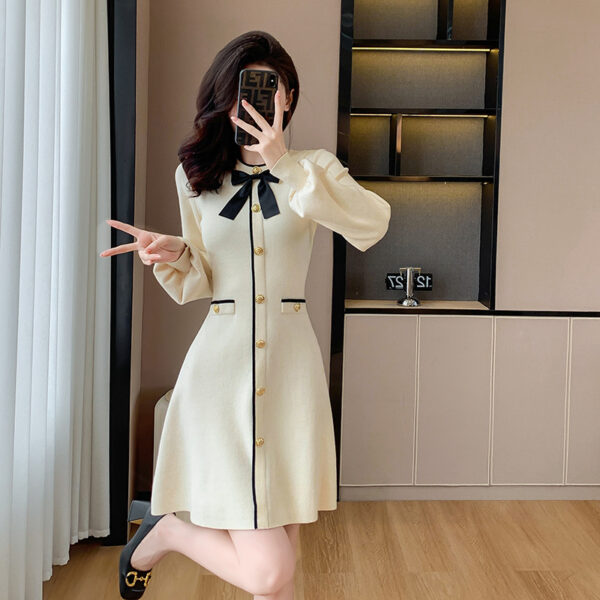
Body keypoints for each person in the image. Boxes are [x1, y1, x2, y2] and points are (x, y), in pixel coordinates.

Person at [100, 30, 391, 600]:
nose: (254, 100)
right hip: (219, 377)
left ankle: (166, 532)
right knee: (270, 569)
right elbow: (204, 281)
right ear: (224, 98)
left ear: (287, 98)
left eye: (267, 87)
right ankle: (168, 532)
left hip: (291, 376)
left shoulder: (315, 168)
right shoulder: (194, 178)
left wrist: (285, 165)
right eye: (242, 89)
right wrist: (177, 254)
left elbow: (371, 224)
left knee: (281, 563)